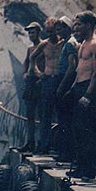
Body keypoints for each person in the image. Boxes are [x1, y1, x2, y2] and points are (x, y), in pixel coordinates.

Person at [70, 11, 96, 180]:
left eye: (79, 24)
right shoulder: (83, 43)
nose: (76, 28)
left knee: (88, 131)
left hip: (88, 89)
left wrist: (88, 95)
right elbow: (80, 68)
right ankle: (80, 166)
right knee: (78, 130)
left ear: (88, 25)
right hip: (79, 87)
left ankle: (89, 169)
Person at [30, 17, 62, 154]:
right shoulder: (44, 44)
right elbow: (32, 58)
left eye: (52, 31)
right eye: (47, 31)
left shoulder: (63, 43)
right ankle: (43, 145)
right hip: (48, 79)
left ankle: (58, 146)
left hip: (59, 79)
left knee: (60, 113)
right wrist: (38, 73)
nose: (50, 34)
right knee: (45, 114)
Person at [54, 16, 79, 162]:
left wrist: (62, 86)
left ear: (67, 28)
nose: (58, 32)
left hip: (66, 80)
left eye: (60, 29)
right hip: (64, 79)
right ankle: (65, 151)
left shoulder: (70, 43)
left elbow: (72, 66)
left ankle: (67, 153)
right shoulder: (66, 42)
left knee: (65, 119)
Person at [20, 22, 44, 153]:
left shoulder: (44, 46)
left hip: (40, 82)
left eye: (33, 32)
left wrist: (42, 77)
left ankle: (41, 143)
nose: (31, 35)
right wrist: (24, 72)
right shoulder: (30, 48)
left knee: (41, 114)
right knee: (29, 114)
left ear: (39, 32)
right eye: (29, 33)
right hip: (30, 82)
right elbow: (26, 61)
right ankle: (30, 142)